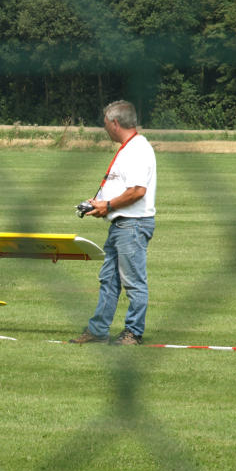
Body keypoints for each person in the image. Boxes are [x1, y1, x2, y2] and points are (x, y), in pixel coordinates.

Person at [70, 100, 156, 346]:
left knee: (133, 282)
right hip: (120, 224)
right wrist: (98, 203)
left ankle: (133, 333)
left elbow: (138, 191)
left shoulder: (139, 149)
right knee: (109, 279)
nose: (104, 128)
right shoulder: (127, 148)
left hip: (134, 224)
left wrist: (107, 206)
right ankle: (98, 330)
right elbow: (124, 187)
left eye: (105, 123)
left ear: (115, 123)